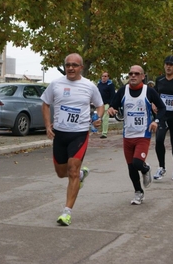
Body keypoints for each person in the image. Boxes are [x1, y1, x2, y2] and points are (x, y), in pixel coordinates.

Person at [41, 53, 104, 226]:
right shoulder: (56, 84)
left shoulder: (89, 86)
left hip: (79, 134)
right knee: (61, 173)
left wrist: (97, 118)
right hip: (60, 134)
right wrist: (47, 126)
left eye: (74, 65)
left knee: (73, 170)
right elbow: (45, 103)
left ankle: (66, 212)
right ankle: (82, 175)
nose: (70, 68)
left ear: (81, 68)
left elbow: (100, 105)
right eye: (68, 64)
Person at [108, 65, 165, 205]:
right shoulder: (123, 90)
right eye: (131, 73)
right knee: (131, 167)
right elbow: (113, 106)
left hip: (143, 135)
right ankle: (138, 192)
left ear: (142, 76)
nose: (133, 76)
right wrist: (111, 110)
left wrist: (156, 121)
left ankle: (146, 168)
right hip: (127, 135)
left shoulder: (149, 91)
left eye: (136, 74)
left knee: (138, 163)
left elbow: (162, 108)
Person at [97, 72, 115, 138]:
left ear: (108, 77)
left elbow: (113, 95)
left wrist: (111, 105)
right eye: (102, 76)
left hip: (107, 104)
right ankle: (100, 130)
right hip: (99, 104)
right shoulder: (99, 84)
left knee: (105, 118)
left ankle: (104, 133)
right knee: (99, 118)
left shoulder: (110, 85)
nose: (103, 77)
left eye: (105, 76)